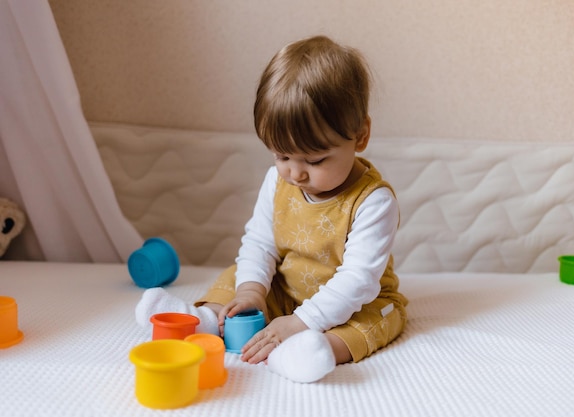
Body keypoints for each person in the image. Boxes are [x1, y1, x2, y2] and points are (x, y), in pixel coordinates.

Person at [135, 35, 408, 383]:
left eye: (315, 159)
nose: (295, 172)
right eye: (281, 156)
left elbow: (358, 281)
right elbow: (260, 243)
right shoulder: (277, 182)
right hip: (286, 290)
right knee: (239, 275)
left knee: (381, 318)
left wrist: (300, 323)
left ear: (361, 136)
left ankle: (315, 351)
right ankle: (205, 320)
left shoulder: (373, 201)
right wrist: (252, 292)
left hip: (352, 301)